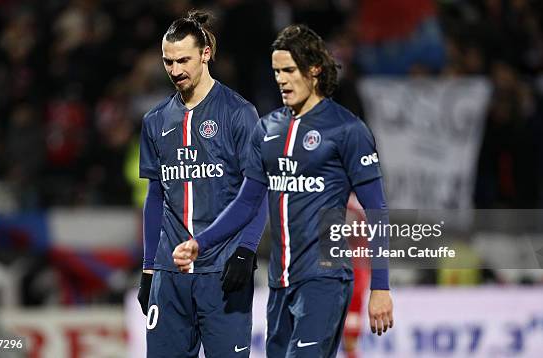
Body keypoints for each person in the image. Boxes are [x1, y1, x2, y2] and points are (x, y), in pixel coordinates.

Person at [173, 24, 393, 358]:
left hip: (325, 281)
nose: (281, 79)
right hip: (280, 284)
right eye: (277, 71)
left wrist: (380, 286)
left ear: (314, 70)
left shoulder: (348, 130)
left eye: (289, 70)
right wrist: (200, 242)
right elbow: (247, 202)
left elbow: (376, 211)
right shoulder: (267, 129)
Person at [137, 10, 267, 358]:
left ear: (205, 54)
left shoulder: (239, 113)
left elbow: (258, 191)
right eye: (168, 61)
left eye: (183, 60)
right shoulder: (154, 121)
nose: (175, 70)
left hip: (223, 272)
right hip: (170, 275)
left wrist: (246, 250)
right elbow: (154, 197)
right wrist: (149, 268)